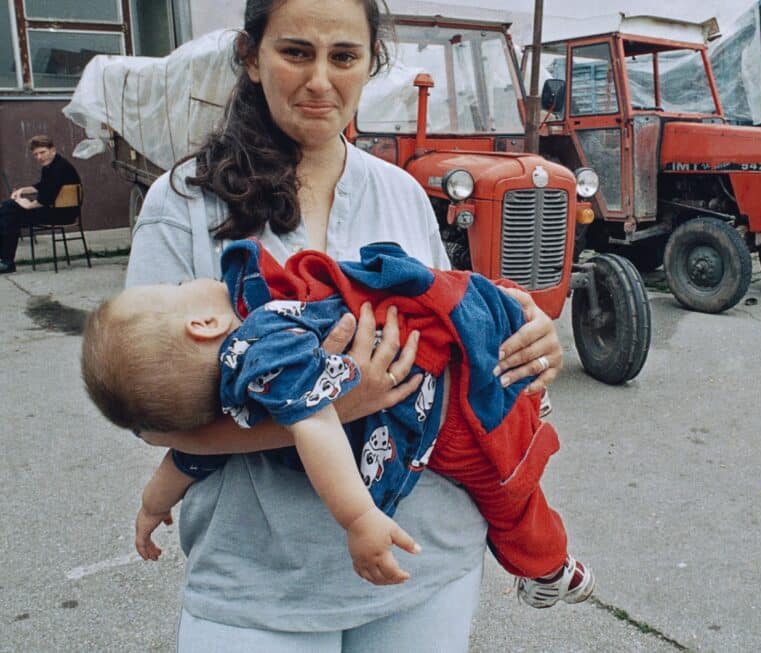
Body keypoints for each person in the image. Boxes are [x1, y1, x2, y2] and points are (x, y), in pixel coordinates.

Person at [121, 0, 564, 650]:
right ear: (250, 55)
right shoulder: (181, 205)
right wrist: (335, 405)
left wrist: (522, 333)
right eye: (296, 52)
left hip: (427, 559)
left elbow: (445, 323)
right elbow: (154, 419)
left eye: (345, 56)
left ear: (371, 62)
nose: (321, 80)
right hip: (262, 583)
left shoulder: (397, 189)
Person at [81, 238, 592, 603]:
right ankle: (547, 567)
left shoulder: (235, 384)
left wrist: (151, 506)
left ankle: (525, 416)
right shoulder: (265, 349)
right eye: (174, 288)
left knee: (505, 413)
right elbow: (318, 423)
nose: (186, 282)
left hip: (441, 393)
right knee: (510, 491)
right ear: (203, 324)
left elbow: (186, 456)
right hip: (439, 418)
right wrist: (358, 517)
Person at [0, 135, 81, 273]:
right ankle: (6, 261)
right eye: (36, 154)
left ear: (53, 150)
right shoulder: (51, 165)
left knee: (8, 210)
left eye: (42, 152)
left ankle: (7, 262)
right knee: (7, 212)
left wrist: (26, 204)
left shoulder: (59, 168)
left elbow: (46, 198)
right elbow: (43, 186)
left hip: (63, 214)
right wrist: (22, 190)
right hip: (55, 211)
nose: (39, 157)